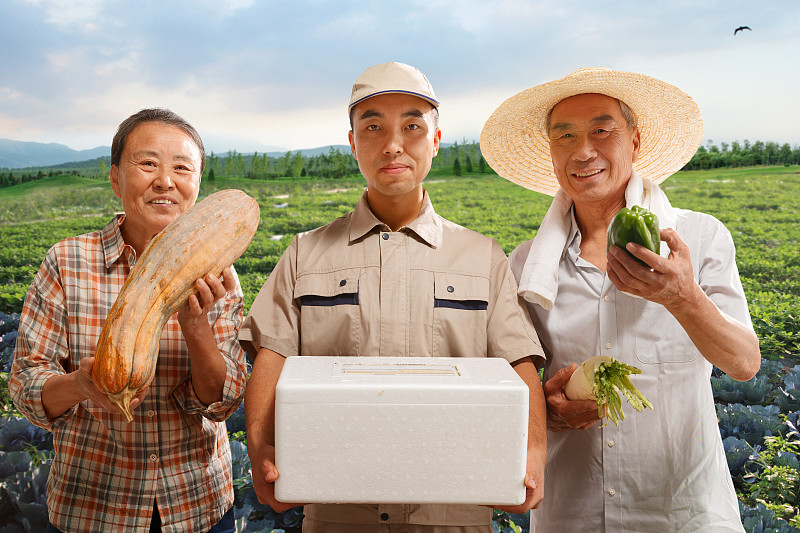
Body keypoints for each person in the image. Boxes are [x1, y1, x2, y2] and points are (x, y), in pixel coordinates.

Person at [240, 61, 547, 532]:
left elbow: (518, 361)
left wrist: (533, 451)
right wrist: (260, 445)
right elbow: (272, 354)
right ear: (353, 144)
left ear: (437, 141)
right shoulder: (305, 253)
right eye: (374, 127)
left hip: (455, 508)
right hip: (338, 508)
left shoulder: (482, 256)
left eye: (412, 126)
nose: (393, 144)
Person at [480, 67, 761, 532]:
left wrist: (682, 296)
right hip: (573, 515)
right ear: (551, 153)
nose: (583, 150)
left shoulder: (700, 238)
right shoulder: (526, 266)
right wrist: (547, 413)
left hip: (683, 513)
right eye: (564, 135)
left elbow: (745, 362)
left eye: (602, 130)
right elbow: (513, 386)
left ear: (634, 139)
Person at [10, 108, 248, 533]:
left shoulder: (219, 274)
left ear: (196, 185)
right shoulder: (66, 262)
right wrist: (79, 385)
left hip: (198, 508)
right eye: (148, 163)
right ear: (116, 178)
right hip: (93, 510)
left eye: (181, 168)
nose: (165, 181)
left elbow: (223, 402)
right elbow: (25, 387)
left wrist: (196, 328)